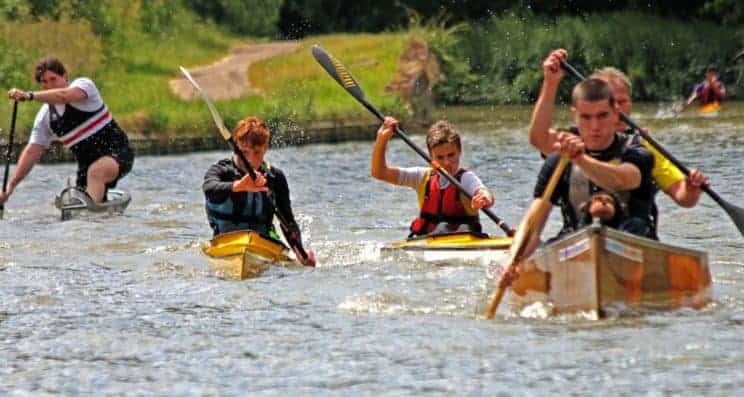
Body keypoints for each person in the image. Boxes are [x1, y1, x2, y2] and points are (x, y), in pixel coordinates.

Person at [529, 49, 707, 217]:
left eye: (623, 102)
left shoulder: (643, 146)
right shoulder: (573, 141)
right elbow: (539, 138)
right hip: (580, 232)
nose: (618, 110)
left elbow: (683, 197)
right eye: (612, 102)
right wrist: (550, 83)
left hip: (633, 234)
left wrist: (690, 189)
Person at [519, 78, 657, 262]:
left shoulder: (636, 151)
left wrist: (580, 159)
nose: (595, 127)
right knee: (541, 251)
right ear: (575, 115)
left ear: (616, 113)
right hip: (578, 245)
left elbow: (623, 180)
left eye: (602, 116)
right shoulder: (558, 161)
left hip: (634, 243)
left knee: (635, 226)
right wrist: (515, 260)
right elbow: (533, 224)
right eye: (586, 117)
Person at [2, 57, 134, 205]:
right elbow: (32, 152)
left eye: (53, 79)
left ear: (65, 76)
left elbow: (63, 96)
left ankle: (90, 213)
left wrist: (29, 96)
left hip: (119, 153)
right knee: (77, 202)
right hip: (86, 170)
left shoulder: (84, 86)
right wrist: (9, 187)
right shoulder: (45, 117)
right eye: (44, 82)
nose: (50, 85)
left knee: (96, 173)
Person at [203, 116, 316, 267]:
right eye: (244, 152)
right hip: (226, 243)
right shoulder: (220, 171)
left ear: (265, 148)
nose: (249, 160)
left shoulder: (275, 178)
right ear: (235, 146)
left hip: (264, 245)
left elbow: (288, 221)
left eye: (256, 152)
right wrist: (238, 186)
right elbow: (209, 189)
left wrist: (300, 253)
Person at [371, 117, 495, 237]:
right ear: (431, 157)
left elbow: (484, 193)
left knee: (445, 228)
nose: (446, 162)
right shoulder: (421, 177)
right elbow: (379, 173)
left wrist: (483, 199)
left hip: (464, 240)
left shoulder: (466, 178)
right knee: (441, 228)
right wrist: (382, 139)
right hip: (429, 240)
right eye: (440, 157)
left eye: (451, 155)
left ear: (460, 152)